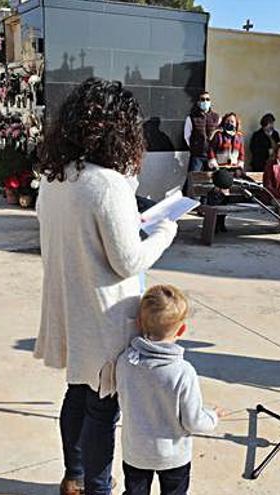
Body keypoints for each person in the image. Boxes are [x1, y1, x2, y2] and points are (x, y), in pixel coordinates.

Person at [34, 78, 179, 495]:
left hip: (68, 302)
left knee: (76, 395)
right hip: (105, 313)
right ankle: (97, 487)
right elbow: (128, 261)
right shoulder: (108, 184)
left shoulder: (56, 177)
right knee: (102, 409)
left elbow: (79, 235)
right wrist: (166, 231)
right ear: (121, 130)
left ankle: (74, 477)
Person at [116, 284, 221, 495]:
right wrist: (212, 417)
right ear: (182, 330)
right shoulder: (183, 372)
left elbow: (123, 400)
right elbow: (193, 421)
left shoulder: (126, 361)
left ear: (138, 323)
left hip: (136, 451)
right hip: (173, 455)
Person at [182, 91, 219, 192]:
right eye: (202, 99)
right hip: (197, 155)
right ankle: (189, 201)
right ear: (198, 102)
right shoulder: (192, 118)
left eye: (207, 99)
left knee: (209, 181)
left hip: (211, 156)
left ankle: (205, 203)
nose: (205, 101)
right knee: (193, 179)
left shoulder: (216, 117)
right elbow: (187, 136)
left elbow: (218, 134)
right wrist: (195, 147)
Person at [207, 112, 246, 176]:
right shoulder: (218, 135)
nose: (229, 123)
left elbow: (242, 153)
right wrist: (213, 163)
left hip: (234, 168)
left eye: (232, 121)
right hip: (220, 168)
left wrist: (240, 164)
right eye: (227, 121)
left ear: (236, 124)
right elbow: (211, 149)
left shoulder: (239, 137)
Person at [205, 168, 234, 234]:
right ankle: (216, 226)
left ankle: (220, 224)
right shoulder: (213, 191)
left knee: (222, 211)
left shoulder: (224, 189)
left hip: (221, 200)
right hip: (214, 203)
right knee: (217, 210)